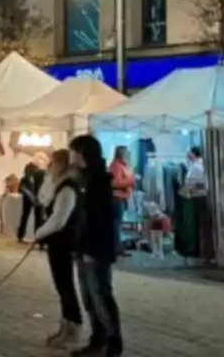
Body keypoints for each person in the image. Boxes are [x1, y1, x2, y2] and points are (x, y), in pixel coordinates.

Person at [69, 134, 123, 357]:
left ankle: (113, 342)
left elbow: (98, 219)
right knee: (89, 298)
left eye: (74, 151)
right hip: (83, 247)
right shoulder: (83, 179)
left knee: (100, 295)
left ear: (82, 154)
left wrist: (91, 248)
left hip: (95, 249)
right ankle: (97, 338)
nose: (71, 156)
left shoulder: (97, 182)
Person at [33, 148, 83, 349]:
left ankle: (73, 328)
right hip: (58, 242)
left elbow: (59, 220)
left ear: (61, 165)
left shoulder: (68, 189)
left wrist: (39, 233)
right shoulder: (61, 186)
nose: (50, 167)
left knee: (65, 285)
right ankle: (66, 325)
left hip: (63, 242)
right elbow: (44, 199)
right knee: (62, 286)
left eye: (53, 163)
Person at [109, 147, 134, 255]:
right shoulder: (116, 166)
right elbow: (115, 183)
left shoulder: (122, 165)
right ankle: (116, 248)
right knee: (116, 224)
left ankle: (117, 247)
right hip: (116, 197)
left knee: (118, 224)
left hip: (121, 196)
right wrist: (130, 180)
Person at [17, 162, 45, 244]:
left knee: (38, 218)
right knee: (25, 216)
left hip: (38, 198)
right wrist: (31, 196)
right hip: (28, 199)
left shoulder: (40, 176)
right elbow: (21, 189)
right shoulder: (25, 179)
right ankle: (20, 235)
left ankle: (38, 238)